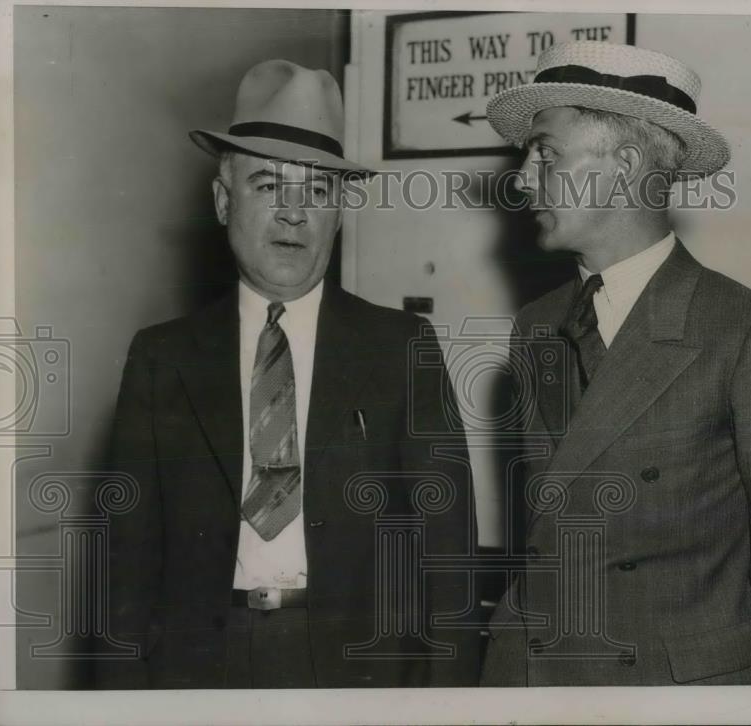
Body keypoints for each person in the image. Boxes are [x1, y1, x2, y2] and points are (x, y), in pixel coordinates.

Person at [96, 60, 478, 689]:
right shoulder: (163, 358)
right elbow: (124, 572)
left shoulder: (401, 347)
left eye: (319, 191)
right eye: (270, 185)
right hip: (199, 673)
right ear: (224, 202)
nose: (295, 213)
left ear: (339, 215)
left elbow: (449, 557)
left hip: (362, 674)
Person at [480, 41, 751, 686]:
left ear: (623, 167)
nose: (522, 177)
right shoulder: (537, 325)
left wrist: (721, 678)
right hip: (531, 675)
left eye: (545, 154)